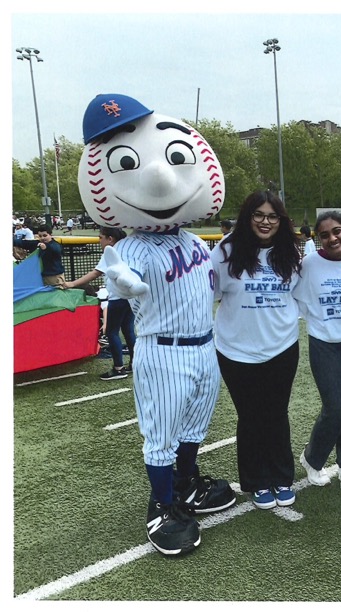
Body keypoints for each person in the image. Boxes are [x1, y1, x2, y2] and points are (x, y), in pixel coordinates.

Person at [76, 93, 235, 557]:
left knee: (195, 425)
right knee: (161, 433)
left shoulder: (194, 240)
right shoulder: (132, 248)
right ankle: (161, 505)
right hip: (162, 351)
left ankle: (187, 485)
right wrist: (121, 280)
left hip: (205, 346)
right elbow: (124, 281)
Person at [211, 190, 302, 510]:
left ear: (281, 220)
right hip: (235, 350)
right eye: (259, 215)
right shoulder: (226, 250)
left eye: (272, 216)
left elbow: (299, 295)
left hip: (282, 346)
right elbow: (213, 293)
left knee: (276, 414)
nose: (266, 221)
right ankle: (256, 481)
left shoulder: (290, 251)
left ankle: (281, 477)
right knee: (250, 416)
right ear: (248, 217)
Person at [292, 211, 341, 495]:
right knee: (336, 407)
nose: (332, 238)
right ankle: (312, 459)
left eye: (337, 231)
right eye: (324, 235)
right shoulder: (309, 264)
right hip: (324, 342)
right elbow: (297, 299)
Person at [62, 227, 136, 380]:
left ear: (110, 239)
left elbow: (96, 273)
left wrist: (72, 284)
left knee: (111, 332)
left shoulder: (111, 252)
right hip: (131, 297)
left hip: (118, 297)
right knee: (128, 330)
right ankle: (134, 364)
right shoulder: (128, 250)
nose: (99, 240)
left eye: (101, 237)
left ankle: (118, 368)